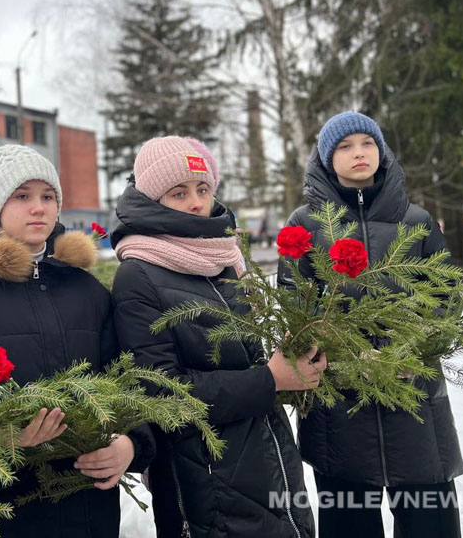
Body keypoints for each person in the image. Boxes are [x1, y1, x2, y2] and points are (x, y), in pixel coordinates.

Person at [0, 143, 154, 538]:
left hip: (86, 504)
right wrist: (1, 435)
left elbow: (129, 378)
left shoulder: (87, 290)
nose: (38, 207)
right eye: (22, 196)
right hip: (6, 505)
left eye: (47, 196)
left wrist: (130, 444)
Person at [110, 136, 318, 538]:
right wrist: (270, 380)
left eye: (203, 189)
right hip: (206, 481)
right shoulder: (138, 273)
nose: (196, 203)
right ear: (153, 199)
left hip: (269, 458)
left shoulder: (225, 259)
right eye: (179, 192)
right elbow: (162, 394)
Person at [280, 111, 463, 538]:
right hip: (340, 405)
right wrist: (342, 350)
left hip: (413, 398)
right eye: (344, 146)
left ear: (381, 151)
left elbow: (447, 297)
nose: (358, 153)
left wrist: (411, 346)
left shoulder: (416, 221)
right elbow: (294, 303)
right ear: (328, 159)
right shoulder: (305, 224)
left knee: (429, 518)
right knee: (350, 520)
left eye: (367, 143)